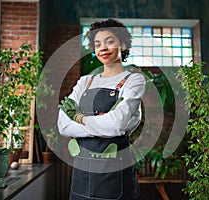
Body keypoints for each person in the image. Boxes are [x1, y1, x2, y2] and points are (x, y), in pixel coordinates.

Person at [57, 18, 145, 200]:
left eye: (109, 41)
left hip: (115, 175)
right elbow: (63, 124)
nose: (102, 48)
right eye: (97, 44)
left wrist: (80, 118)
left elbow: (116, 125)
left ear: (123, 44)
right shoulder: (85, 81)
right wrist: (101, 123)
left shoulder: (133, 80)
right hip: (82, 173)